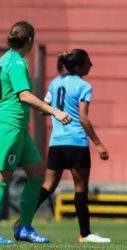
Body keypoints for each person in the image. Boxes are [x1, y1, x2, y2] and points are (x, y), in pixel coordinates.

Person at [0, 21, 72, 244]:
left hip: (17, 127)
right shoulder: (17, 62)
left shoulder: (5, 59)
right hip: (8, 126)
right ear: (30, 40)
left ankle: (24, 228)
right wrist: (53, 111)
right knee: (1, 179)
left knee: (37, 174)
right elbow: (24, 95)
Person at [36, 49, 110, 243]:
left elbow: (45, 109)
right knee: (80, 188)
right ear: (78, 67)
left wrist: (58, 112)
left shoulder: (55, 82)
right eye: (88, 62)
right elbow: (83, 118)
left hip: (56, 142)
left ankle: (22, 221)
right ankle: (84, 234)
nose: (91, 65)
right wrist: (99, 144)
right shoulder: (84, 86)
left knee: (48, 186)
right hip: (76, 141)